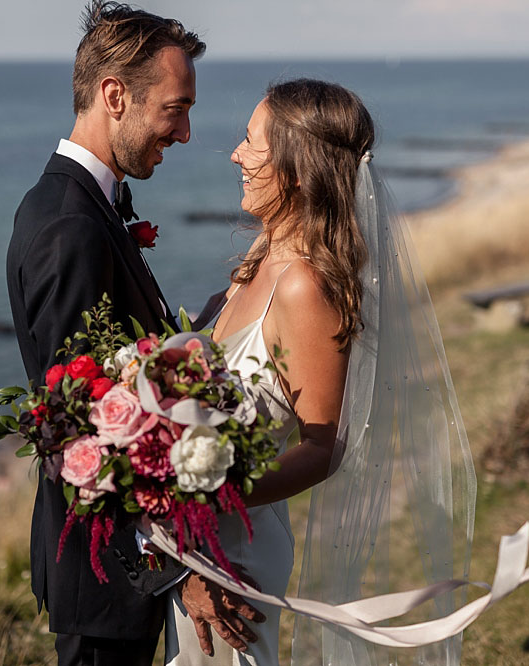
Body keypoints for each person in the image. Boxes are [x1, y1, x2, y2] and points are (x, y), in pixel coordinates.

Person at [165, 79, 476, 665]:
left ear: (297, 169)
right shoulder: (258, 258)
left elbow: (322, 445)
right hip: (196, 540)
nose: (235, 153)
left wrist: (213, 501)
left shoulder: (305, 287)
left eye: (251, 141)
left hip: (236, 545)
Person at [6, 3, 262, 664]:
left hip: (115, 573)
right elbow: (80, 430)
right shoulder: (71, 225)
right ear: (114, 96)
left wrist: (201, 329)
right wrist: (182, 569)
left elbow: (118, 373)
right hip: (106, 574)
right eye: (175, 110)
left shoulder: (88, 205)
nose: (183, 133)